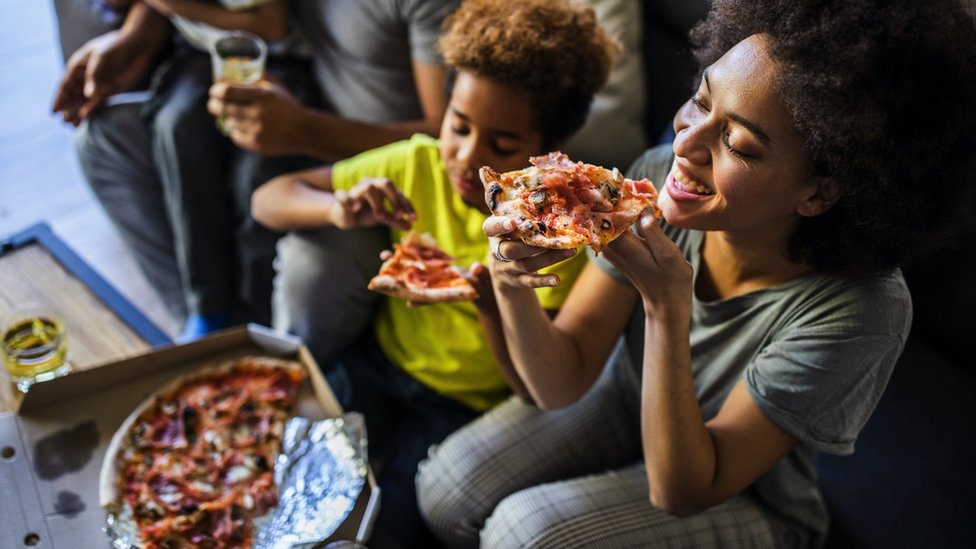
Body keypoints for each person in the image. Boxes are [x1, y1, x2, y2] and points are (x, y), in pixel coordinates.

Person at [415, 0, 976, 547]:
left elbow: (683, 490)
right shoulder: (657, 177)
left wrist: (665, 306)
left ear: (819, 191)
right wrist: (511, 284)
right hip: (627, 400)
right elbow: (561, 381)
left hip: (742, 493)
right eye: (700, 100)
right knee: (443, 491)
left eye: (738, 143)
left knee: (524, 533)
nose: (685, 144)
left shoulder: (862, 313)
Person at [250, 0, 619, 544]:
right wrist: (338, 208)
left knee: (384, 530)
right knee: (276, 482)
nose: (467, 157)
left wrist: (490, 303)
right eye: (459, 125)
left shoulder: (559, 237)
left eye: (502, 144)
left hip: (461, 409)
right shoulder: (418, 162)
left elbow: (528, 387)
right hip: (378, 363)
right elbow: (270, 198)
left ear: (549, 152)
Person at [51, 0, 458, 336]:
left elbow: (452, 141)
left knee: (306, 267)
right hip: (273, 102)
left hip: (373, 178)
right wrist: (134, 34)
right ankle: (205, 328)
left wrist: (306, 131)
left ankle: (259, 354)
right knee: (104, 140)